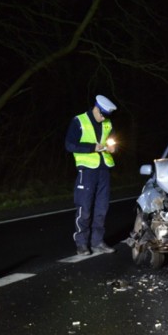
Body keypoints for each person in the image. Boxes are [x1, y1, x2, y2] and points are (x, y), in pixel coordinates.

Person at [65, 95, 118, 255]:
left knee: (102, 208)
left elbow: (112, 140)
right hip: (87, 170)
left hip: (104, 170)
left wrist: (113, 147)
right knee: (85, 208)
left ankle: (97, 242)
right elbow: (69, 144)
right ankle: (81, 244)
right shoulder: (79, 121)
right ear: (96, 108)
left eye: (106, 116)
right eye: (102, 114)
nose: (103, 118)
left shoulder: (107, 122)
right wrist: (92, 148)